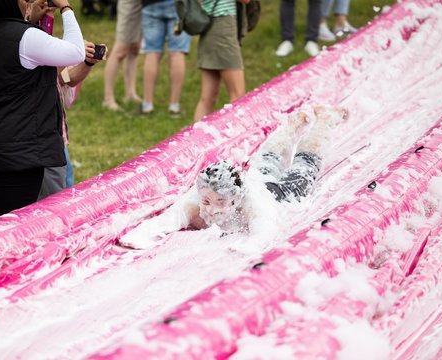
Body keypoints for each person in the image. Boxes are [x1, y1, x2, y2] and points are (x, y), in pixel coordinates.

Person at [119, 105, 349, 250]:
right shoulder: (198, 199)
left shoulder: (252, 204)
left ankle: (326, 121)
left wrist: (248, 246)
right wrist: (139, 236)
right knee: (268, 158)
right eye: (207, 201)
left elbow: (264, 229)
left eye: (220, 203)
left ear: (235, 200)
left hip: (280, 196)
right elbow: (169, 219)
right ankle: (291, 128)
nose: (211, 209)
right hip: (258, 178)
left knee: (306, 163)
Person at [0, 0, 85, 221]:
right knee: (14, 226)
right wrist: (66, 7)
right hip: (16, 153)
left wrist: (29, 19)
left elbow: (10, 46)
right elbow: (76, 52)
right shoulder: (26, 37)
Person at [39, 40, 106, 200]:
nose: (50, 13)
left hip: (56, 136)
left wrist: (88, 62)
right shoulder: (27, 39)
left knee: (66, 185)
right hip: (40, 138)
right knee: (52, 200)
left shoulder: (45, 36)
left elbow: (64, 79)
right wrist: (68, 50)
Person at [193, 0, 250, 122]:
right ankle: (237, 137)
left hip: (208, 27)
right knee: (238, 96)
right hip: (223, 28)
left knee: (207, 98)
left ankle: (196, 139)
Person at [139, 0, 191, 115]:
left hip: (150, 4)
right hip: (178, 5)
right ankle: (174, 106)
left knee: (152, 52)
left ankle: (147, 104)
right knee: (177, 52)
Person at [102, 0, 142, 111]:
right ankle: (108, 98)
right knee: (120, 50)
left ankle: (130, 93)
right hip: (130, 3)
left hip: (145, 4)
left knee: (135, 49)